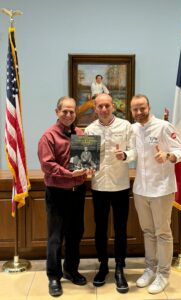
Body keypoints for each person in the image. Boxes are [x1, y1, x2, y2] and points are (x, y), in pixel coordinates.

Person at [117, 94, 181, 294]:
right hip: (141, 189)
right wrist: (125, 156)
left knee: (162, 232)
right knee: (148, 232)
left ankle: (163, 274)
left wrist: (168, 155)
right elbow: (134, 152)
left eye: (142, 108)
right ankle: (150, 269)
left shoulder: (164, 126)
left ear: (149, 107)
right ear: (131, 110)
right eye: (135, 109)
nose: (139, 112)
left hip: (162, 189)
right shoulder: (134, 128)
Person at [84, 93, 135, 294]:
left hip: (121, 185)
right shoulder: (89, 129)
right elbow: (86, 159)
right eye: (100, 106)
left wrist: (126, 155)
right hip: (98, 187)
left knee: (121, 228)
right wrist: (85, 167)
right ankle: (103, 265)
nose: (104, 109)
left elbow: (135, 150)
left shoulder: (125, 126)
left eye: (107, 105)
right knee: (100, 229)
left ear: (113, 106)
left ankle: (120, 267)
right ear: (95, 108)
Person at [38, 96, 88, 297]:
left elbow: (86, 160)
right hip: (57, 192)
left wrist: (89, 170)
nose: (68, 115)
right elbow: (47, 165)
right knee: (55, 237)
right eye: (64, 111)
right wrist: (69, 174)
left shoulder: (81, 134)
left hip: (78, 192)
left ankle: (71, 270)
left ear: (76, 113)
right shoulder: (48, 137)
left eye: (72, 111)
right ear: (57, 112)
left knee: (76, 234)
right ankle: (53, 276)